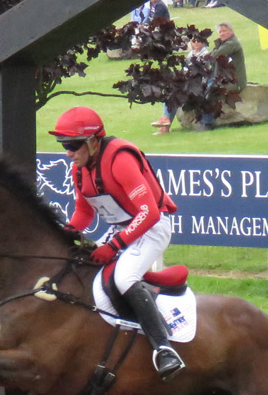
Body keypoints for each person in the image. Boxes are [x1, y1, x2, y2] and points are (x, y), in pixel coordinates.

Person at [48, 107, 185, 381]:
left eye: (73, 146)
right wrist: (66, 233)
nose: (68, 153)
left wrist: (113, 247)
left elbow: (149, 212)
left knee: (123, 277)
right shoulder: (79, 170)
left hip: (153, 226)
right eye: (64, 146)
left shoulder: (120, 160)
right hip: (122, 228)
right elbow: (84, 213)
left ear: (93, 141)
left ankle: (164, 349)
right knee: (81, 265)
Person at [151, 36, 211, 133]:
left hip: (198, 86)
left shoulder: (205, 54)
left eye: (198, 40)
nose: (196, 43)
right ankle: (165, 123)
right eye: (193, 41)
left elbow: (201, 73)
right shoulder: (191, 54)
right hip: (189, 84)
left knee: (175, 93)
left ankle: (165, 122)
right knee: (171, 92)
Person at [200, 21, 246, 130]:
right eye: (220, 32)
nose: (221, 34)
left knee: (211, 93)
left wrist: (211, 54)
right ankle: (202, 121)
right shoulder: (224, 44)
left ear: (231, 31)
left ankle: (208, 123)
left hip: (234, 82)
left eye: (224, 31)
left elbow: (215, 55)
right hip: (221, 78)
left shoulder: (232, 43)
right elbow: (210, 59)